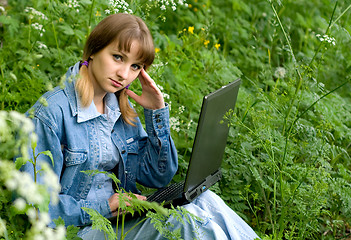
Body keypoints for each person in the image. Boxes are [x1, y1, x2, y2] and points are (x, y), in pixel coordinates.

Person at [22, 13, 260, 239]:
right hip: (80, 229)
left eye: (136, 66)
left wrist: (156, 112)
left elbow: (157, 176)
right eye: (118, 57)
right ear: (94, 51)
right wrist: (106, 205)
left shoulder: (118, 108)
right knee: (187, 221)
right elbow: (34, 203)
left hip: (120, 220)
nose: (124, 74)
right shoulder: (51, 114)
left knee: (206, 201)